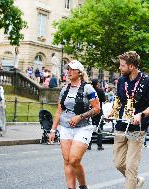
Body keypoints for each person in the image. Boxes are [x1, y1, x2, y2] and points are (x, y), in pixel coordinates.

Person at [109, 51, 149, 189]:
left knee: (131, 167)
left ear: (131, 66)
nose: (120, 68)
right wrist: (111, 113)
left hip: (137, 128)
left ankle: (132, 182)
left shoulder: (148, 81)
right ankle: (136, 181)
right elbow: (118, 102)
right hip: (121, 126)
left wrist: (141, 115)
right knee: (119, 163)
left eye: (122, 65)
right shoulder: (121, 81)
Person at [49, 60, 100, 189]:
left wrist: (80, 116)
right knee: (67, 160)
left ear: (80, 72)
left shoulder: (88, 88)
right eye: (68, 69)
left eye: (72, 69)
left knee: (74, 160)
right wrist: (53, 130)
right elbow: (59, 111)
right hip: (65, 128)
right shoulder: (64, 89)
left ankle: (83, 186)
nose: (69, 71)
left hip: (83, 128)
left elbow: (97, 109)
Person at [88, 79, 106, 150]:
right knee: (99, 128)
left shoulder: (90, 90)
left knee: (90, 128)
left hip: (91, 110)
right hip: (99, 110)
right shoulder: (100, 90)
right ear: (97, 83)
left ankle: (89, 145)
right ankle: (99, 145)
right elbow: (104, 100)